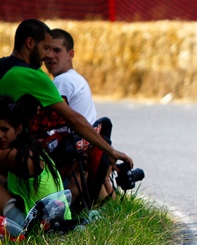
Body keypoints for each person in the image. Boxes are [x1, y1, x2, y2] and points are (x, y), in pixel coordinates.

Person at [0, 19, 132, 176]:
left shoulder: (2, 64)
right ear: (29, 43)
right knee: (37, 165)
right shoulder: (33, 76)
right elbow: (74, 120)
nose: (47, 55)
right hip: (8, 152)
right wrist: (109, 150)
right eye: (46, 48)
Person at [44, 28, 113, 205]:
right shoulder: (76, 78)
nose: (49, 55)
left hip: (71, 153)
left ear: (70, 54)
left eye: (57, 50)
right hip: (84, 151)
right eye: (47, 49)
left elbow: (46, 124)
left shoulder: (63, 82)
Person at [0, 94, 70, 226]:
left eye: (5, 130)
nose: (0, 135)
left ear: (19, 129)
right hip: (58, 222)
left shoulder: (15, 155)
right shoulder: (32, 149)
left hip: (43, 228)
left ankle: (20, 225)